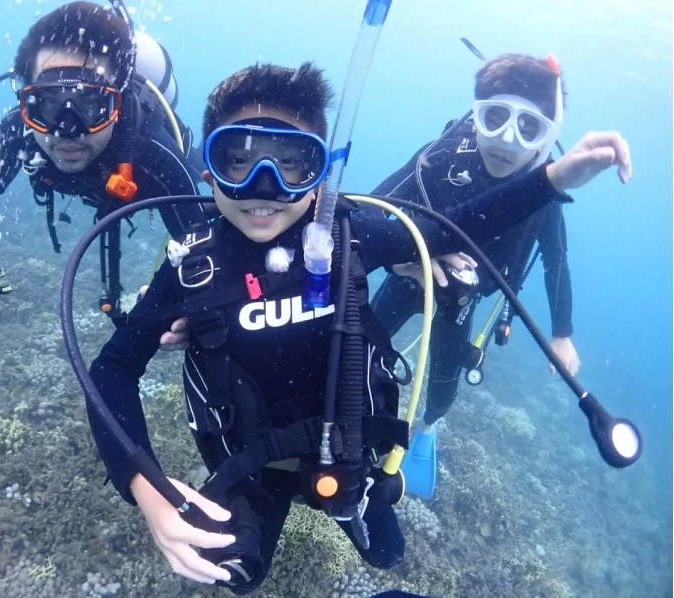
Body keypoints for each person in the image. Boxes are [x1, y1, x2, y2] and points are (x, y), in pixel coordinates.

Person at [85, 62, 630, 592]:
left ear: (321, 171)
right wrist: (146, 487)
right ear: (209, 166)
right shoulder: (192, 263)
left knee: (389, 556)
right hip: (249, 463)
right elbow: (112, 368)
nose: (263, 187)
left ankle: (361, 495)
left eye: (292, 163)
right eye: (239, 159)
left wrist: (554, 178)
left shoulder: (349, 234)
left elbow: (458, 228)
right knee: (234, 576)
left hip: (346, 453)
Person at [368, 53, 631, 500]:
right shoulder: (446, 154)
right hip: (408, 276)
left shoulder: (545, 190)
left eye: (529, 128)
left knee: (444, 386)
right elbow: (368, 211)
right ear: (477, 116)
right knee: (358, 343)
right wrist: (401, 261)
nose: (507, 142)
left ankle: (428, 428)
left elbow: (556, 259)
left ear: (548, 136)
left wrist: (562, 333)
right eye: (494, 118)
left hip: (462, 300)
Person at [0, 1, 208, 317]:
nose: (68, 131)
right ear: (26, 100)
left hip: (147, 166)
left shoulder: (152, 149)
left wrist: (181, 294)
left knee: (196, 169)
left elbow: (197, 241)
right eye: (48, 103)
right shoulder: (18, 130)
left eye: (93, 103)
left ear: (119, 102)